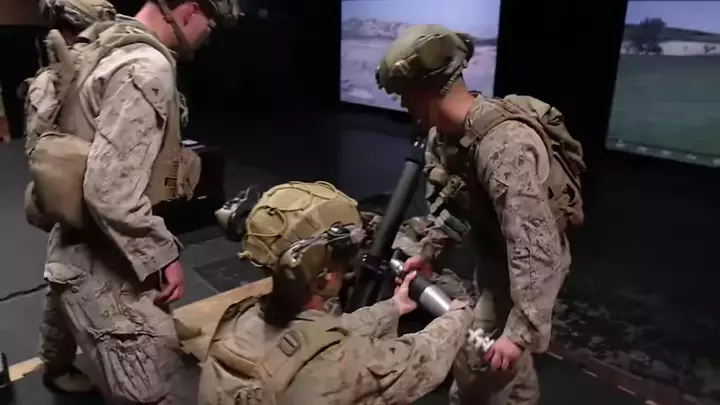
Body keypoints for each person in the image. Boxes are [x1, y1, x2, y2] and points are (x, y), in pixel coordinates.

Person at [23, 0, 242, 402]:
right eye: (209, 25)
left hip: (71, 228)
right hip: (103, 252)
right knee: (160, 391)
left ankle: (57, 365)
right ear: (190, 11)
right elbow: (109, 192)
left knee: (63, 283)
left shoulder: (102, 40)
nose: (207, 37)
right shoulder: (145, 66)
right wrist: (163, 255)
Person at [376, 24, 586, 405]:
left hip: (527, 270)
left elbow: (536, 251)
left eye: (405, 95)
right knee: (504, 363)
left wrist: (520, 331)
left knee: (477, 364)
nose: (404, 106)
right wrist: (429, 252)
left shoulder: (505, 149)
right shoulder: (445, 135)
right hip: (495, 254)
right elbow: (456, 203)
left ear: (425, 90)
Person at [198, 181, 474, 405]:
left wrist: (393, 307)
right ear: (325, 275)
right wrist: (460, 315)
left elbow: (314, 338)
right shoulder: (340, 367)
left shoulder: (239, 320)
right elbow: (421, 359)